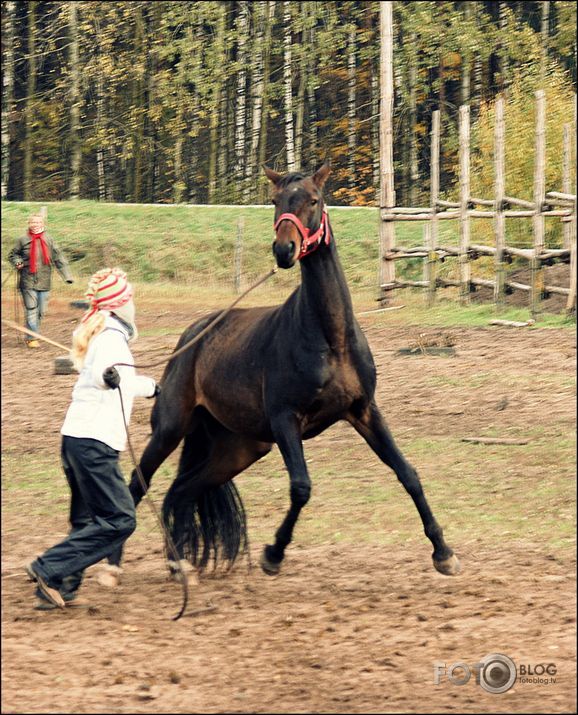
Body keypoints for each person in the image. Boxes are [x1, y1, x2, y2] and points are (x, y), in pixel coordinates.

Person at [25, 267, 160, 610]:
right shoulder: (111, 337)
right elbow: (110, 378)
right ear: (118, 305)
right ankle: (48, 566)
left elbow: (111, 377)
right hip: (94, 445)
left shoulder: (100, 331)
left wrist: (131, 382)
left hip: (75, 440)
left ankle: (57, 587)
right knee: (120, 520)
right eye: (130, 299)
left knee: (86, 521)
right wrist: (155, 388)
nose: (133, 305)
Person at [8, 213, 74, 348]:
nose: (35, 225)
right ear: (29, 224)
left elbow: (59, 258)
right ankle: (32, 338)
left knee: (41, 311)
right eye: (33, 222)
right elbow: (13, 254)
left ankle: (30, 334)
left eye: (38, 222)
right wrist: (18, 261)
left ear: (43, 224)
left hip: (44, 281)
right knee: (31, 309)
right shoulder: (22, 239)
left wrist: (67, 276)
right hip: (27, 280)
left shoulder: (49, 239)